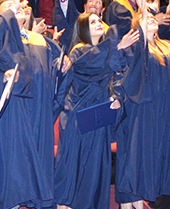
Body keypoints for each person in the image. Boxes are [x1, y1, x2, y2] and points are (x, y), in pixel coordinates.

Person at [0, 0, 68, 209]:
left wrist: (64, 66)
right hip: (11, 112)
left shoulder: (40, 40)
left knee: (36, 166)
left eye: (22, 7)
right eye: (11, 10)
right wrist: (12, 6)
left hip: (37, 111)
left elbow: (53, 73)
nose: (20, 9)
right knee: (12, 169)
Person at [55, 14, 138, 209]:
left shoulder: (107, 52)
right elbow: (95, 65)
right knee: (74, 169)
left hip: (98, 115)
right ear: (83, 29)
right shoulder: (78, 51)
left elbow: (117, 74)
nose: (98, 24)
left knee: (95, 168)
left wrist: (116, 98)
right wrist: (118, 46)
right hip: (78, 115)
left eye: (99, 21)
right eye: (92, 22)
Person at [113, 0, 170, 207]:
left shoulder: (168, 46)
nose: (151, 20)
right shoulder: (134, 46)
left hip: (165, 109)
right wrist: (142, 21)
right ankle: (128, 201)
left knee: (154, 155)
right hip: (142, 109)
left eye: (153, 18)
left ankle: (141, 198)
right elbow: (133, 68)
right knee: (135, 156)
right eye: (145, 19)